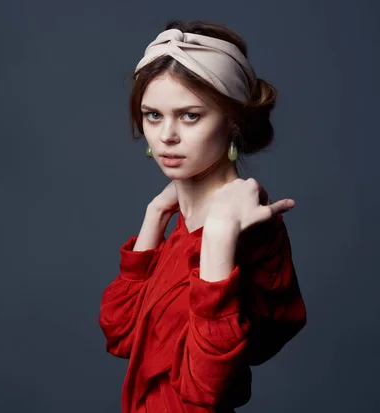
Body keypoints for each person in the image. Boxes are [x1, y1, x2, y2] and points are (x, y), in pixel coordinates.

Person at [98, 20, 307, 413]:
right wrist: (155, 215)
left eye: (190, 116)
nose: (166, 136)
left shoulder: (250, 229)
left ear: (232, 122)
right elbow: (120, 335)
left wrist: (217, 242)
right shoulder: (175, 223)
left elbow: (208, 388)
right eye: (153, 115)